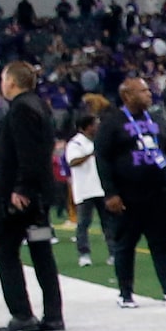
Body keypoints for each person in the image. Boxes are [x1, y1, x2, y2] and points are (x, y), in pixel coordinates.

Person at [92, 77, 166, 311]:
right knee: (125, 245)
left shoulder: (158, 119)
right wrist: (110, 193)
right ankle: (125, 293)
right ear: (127, 96)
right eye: (143, 91)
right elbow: (103, 159)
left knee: (161, 243)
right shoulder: (112, 122)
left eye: (149, 90)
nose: (149, 94)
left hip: (159, 193)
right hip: (127, 196)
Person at [0, 62, 67, 331]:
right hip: (39, 199)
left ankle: (22, 314)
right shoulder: (39, 106)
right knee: (42, 250)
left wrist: (20, 188)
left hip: (20, 201)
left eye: (3, 78)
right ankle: (53, 315)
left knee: (6, 251)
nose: (1, 83)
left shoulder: (21, 108)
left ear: (11, 82)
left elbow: (26, 152)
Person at [65, 97, 106, 266]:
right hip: (85, 189)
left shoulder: (100, 140)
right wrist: (90, 154)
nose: (97, 127)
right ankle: (84, 254)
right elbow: (72, 161)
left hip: (101, 188)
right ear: (87, 127)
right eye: (95, 124)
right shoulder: (75, 143)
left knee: (108, 222)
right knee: (83, 223)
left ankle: (113, 253)